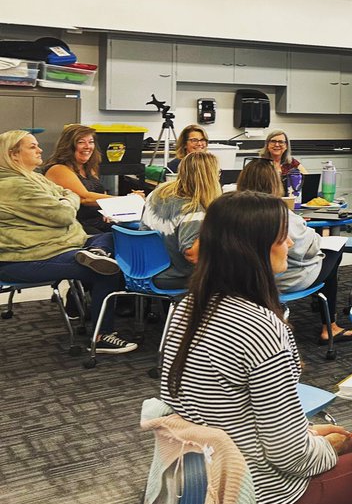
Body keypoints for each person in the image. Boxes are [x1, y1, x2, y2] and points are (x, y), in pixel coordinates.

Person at [159, 191, 352, 504]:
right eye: (282, 237)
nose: (290, 243)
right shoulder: (261, 327)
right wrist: (325, 448)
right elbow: (289, 455)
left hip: (205, 489)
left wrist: (311, 435)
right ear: (255, 249)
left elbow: (229, 413)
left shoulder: (188, 308)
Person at [0, 129, 136, 354]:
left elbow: (65, 194)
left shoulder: (32, 177)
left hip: (57, 246)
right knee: (106, 272)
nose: (40, 150)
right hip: (25, 258)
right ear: (13, 154)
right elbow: (64, 213)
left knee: (114, 236)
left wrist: (65, 198)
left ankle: (96, 252)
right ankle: (102, 336)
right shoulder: (15, 185)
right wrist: (67, 200)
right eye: (32, 147)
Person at [235, 160, 352, 343]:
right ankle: (329, 326)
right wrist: (305, 229)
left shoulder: (233, 212)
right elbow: (309, 248)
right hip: (284, 280)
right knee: (334, 252)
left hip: (246, 282)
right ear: (273, 182)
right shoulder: (278, 212)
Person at [43, 123, 143, 235]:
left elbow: (100, 192)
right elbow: (85, 198)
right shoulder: (58, 169)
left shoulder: (88, 168)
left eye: (91, 142)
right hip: (76, 226)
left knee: (139, 230)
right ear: (68, 146)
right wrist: (126, 201)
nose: (88, 146)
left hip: (98, 221)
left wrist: (108, 211)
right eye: (81, 142)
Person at [141, 151, 221, 289]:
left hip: (144, 269)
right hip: (173, 275)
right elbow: (192, 256)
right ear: (210, 177)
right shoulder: (193, 210)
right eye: (218, 173)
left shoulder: (155, 194)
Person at [260, 131, 305, 197]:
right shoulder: (259, 164)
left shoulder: (292, 162)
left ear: (286, 146)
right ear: (267, 145)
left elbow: (307, 180)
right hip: (267, 200)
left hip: (291, 200)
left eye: (281, 142)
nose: (277, 145)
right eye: (273, 141)